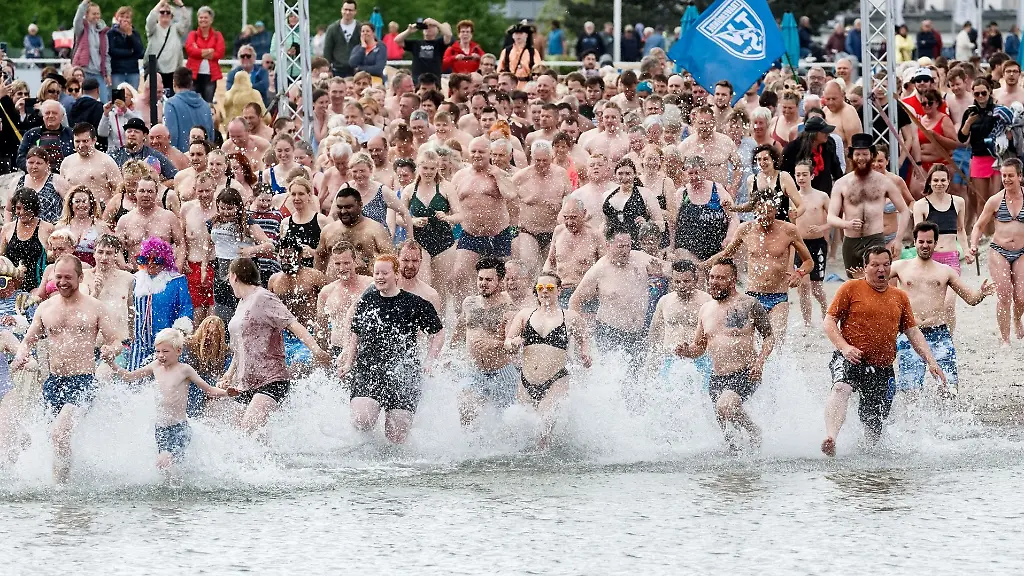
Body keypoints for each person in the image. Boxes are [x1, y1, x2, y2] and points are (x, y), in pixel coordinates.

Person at [821, 246, 948, 457]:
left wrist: (931, 361)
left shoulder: (899, 297)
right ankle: (831, 438)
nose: (881, 269)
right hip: (850, 357)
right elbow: (829, 321)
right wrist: (844, 347)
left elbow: (913, 332)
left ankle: (870, 458)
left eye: (886, 265)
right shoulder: (850, 288)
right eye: (875, 265)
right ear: (865, 267)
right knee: (841, 388)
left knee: (874, 425)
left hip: (882, 367)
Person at [11, 255, 122, 483]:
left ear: (80, 278)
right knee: (45, 438)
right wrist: (22, 354)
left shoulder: (95, 307)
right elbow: (28, 341)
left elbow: (116, 341)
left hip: (83, 382)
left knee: (59, 434)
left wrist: (111, 351)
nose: (62, 282)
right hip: (54, 383)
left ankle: (61, 490)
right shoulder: (45, 308)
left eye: (68, 277)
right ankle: (65, 480)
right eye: (58, 277)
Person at [338, 254, 444, 444]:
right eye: (376, 273)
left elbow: (438, 333)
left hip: (403, 373)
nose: (380, 277)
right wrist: (348, 362)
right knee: (362, 420)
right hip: (369, 369)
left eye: (384, 273)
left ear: (396, 274)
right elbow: (356, 333)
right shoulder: (367, 300)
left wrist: (429, 361)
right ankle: (367, 450)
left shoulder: (414, 303)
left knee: (396, 435)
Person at [220, 257, 330, 433]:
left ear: (234, 276)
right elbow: (241, 346)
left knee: (248, 430)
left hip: (271, 379)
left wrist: (316, 350)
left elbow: (292, 323)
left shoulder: (263, 297)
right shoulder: (242, 303)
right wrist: (229, 373)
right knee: (236, 435)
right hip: (245, 383)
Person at [676, 259, 774, 449]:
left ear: (733, 280)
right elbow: (699, 347)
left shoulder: (749, 304)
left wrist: (760, 362)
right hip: (717, 378)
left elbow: (769, 336)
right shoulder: (705, 309)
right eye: (712, 277)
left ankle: (754, 431)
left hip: (745, 372)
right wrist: (686, 351)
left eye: (721, 278)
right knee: (729, 439)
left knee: (726, 405)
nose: (714, 282)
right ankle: (741, 463)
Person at [889, 222, 993, 400]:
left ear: (935, 243)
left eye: (929, 242)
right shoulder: (900, 266)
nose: (925, 245)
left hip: (938, 333)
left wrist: (981, 293)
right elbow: (875, 281)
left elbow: (970, 299)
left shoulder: (946, 271)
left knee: (949, 388)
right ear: (914, 242)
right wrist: (861, 278)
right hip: (910, 333)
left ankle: (947, 418)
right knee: (910, 391)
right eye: (921, 241)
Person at [112, 327, 236, 468]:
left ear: (178, 351)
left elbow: (210, 390)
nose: (160, 355)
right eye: (157, 351)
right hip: (160, 429)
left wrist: (226, 393)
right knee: (168, 469)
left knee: (165, 461)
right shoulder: (155, 366)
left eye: (165, 351)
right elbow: (129, 377)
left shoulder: (185, 370)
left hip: (179, 428)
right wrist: (112, 363)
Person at [505, 271, 591, 447]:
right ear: (536, 291)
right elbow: (507, 343)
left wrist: (585, 353)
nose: (545, 291)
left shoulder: (570, 317)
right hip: (526, 381)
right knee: (524, 433)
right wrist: (513, 342)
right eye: (540, 288)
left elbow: (584, 338)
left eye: (550, 288)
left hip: (556, 380)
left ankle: (547, 458)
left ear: (559, 290)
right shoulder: (524, 315)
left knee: (543, 426)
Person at [705, 201, 812, 341]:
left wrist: (799, 274)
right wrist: (703, 265)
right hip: (752, 295)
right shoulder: (746, 229)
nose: (764, 216)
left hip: (778, 297)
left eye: (768, 212)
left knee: (776, 340)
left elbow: (809, 261)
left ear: (776, 210)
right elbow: (726, 254)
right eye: (760, 212)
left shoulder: (788, 230)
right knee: (748, 341)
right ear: (754, 211)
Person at [570, 229, 665, 373]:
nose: (625, 251)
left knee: (636, 377)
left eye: (628, 246)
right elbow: (575, 301)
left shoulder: (640, 258)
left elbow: (671, 270)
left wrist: (660, 273)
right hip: (610, 332)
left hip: (638, 332)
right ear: (608, 245)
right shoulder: (599, 270)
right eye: (620, 246)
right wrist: (580, 336)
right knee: (613, 375)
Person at [828, 134, 910, 275]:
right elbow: (830, 217)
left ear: (871, 155)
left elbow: (904, 210)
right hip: (851, 242)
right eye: (857, 154)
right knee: (855, 283)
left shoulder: (884, 182)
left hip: (875, 239)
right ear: (851, 156)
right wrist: (846, 224)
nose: (861, 158)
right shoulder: (841, 184)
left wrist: (898, 240)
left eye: (865, 154)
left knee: (877, 280)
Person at [452, 258, 518, 425]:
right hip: (475, 371)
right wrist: (450, 351)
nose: (483, 283)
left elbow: (514, 346)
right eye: (480, 279)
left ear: (500, 281)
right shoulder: (469, 303)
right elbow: (460, 326)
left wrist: (494, 343)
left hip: (502, 373)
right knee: (466, 410)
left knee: (505, 423)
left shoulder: (508, 309)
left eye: (489, 280)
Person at [970, 159, 1024, 343]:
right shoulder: (995, 200)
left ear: (1020, 176)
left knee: (1021, 297)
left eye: (1010, 175)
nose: (1006, 179)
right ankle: (1005, 338)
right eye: (1004, 175)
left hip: (1021, 252)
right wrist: (973, 245)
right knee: (1004, 294)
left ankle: (1017, 319)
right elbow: (978, 226)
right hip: (999, 250)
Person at [127, 236, 193, 370]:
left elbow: (186, 309)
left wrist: (178, 333)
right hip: (139, 344)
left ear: (165, 260)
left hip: (166, 344)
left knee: (166, 378)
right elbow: (129, 308)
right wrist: (129, 333)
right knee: (134, 378)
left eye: (156, 260)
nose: (150, 264)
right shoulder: (135, 280)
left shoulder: (176, 280)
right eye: (145, 259)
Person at [647, 260, 712, 389]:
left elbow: (715, 334)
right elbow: (654, 334)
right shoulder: (664, 301)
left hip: (699, 359)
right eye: (677, 282)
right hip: (670, 359)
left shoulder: (707, 302)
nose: (682, 285)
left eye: (686, 281)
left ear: (695, 280)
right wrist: (652, 364)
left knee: (702, 397)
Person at [267, 236, 329, 372]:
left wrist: (324, 332)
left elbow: (330, 304)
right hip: (285, 338)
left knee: (297, 368)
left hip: (310, 336)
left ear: (300, 255)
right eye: (282, 257)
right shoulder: (274, 280)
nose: (286, 260)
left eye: (289, 256)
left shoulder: (315, 276)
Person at [314, 186, 393, 275]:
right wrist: (320, 279)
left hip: (367, 281)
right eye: (340, 207)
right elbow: (320, 256)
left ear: (360, 205)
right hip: (336, 282)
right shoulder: (328, 230)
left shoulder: (375, 229)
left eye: (348, 207)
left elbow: (391, 260)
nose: (343, 211)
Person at [316, 242, 373, 356]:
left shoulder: (370, 285)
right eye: (338, 264)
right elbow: (321, 329)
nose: (342, 268)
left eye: (346, 263)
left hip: (366, 348)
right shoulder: (326, 292)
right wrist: (321, 355)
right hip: (338, 349)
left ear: (355, 261)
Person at [115, 174, 185, 267]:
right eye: (142, 191)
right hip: (135, 272)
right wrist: (123, 265)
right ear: (135, 193)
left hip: (163, 271)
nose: (146, 195)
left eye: (150, 191)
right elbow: (117, 248)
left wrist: (177, 267)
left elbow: (181, 244)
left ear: (156, 194)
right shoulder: (125, 220)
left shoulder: (169, 217)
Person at [792, 161, 830, 327]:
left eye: (804, 174)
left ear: (812, 176)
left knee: (816, 287)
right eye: (798, 175)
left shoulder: (822, 196)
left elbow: (834, 218)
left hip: (817, 244)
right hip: (800, 245)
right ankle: (807, 323)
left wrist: (821, 227)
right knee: (803, 285)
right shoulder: (792, 198)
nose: (801, 178)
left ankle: (826, 312)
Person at [1, 188, 55, 293]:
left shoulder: (47, 228)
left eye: (26, 208)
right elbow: (1, 258)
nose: (21, 212)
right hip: (10, 287)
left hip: (38, 286)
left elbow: (54, 257)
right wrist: (15, 271)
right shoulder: (7, 228)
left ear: (34, 208)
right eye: (18, 208)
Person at [60, 122, 122, 204]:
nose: (81, 145)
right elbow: (63, 193)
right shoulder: (66, 162)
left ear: (94, 140)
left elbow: (119, 190)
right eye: (77, 141)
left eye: (85, 141)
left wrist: (109, 209)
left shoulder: (106, 161)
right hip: (74, 210)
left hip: (101, 209)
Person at [7, 147, 67, 225]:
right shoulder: (17, 182)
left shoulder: (56, 180)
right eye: (31, 163)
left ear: (47, 164)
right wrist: (7, 226)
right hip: (22, 229)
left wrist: (62, 225)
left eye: (38, 163)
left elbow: (70, 204)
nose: (34, 166)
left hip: (52, 229)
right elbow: (8, 210)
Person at [15, 101, 75, 174]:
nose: (50, 116)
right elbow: (20, 158)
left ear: (62, 116)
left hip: (65, 175)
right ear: (42, 116)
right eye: (47, 113)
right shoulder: (31, 134)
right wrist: (34, 168)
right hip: (36, 176)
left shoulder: (72, 134)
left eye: (54, 113)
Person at [165, 67, 215, 152]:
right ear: (191, 83)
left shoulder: (171, 104)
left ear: (174, 83)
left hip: (180, 155)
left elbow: (172, 135)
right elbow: (211, 135)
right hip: (202, 155)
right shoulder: (205, 105)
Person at [145, 0, 191, 91]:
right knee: (154, 97)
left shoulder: (176, 28)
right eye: (162, 12)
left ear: (172, 16)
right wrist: (161, 2)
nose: (165, 14)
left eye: (168, 12)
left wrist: (181, 5)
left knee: (172, 96)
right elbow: (150, 19)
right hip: (155, 70)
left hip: (173, 71)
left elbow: (186, 21)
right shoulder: (153, 29)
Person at [72, 0, 112, 104]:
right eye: (93, 14)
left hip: (98, 72)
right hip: (84, 71)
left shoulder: (103, 32)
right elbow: (77, 20)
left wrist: (108, 73)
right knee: (84, 101)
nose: (96, 16)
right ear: (86, 14)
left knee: (104, 101)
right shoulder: (82, 28)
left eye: (98, 13)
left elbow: (106, 55)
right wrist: (84, 4)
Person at [184, 6, 224, 103]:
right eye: (201, 17)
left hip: (210, 76)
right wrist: (209, 51)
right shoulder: (193, 34)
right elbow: (190, 50)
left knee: (207, 104)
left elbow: (220, 53)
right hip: (193, 76)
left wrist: (199, 51)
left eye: (205, 17)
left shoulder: (217, 35)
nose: (203, 20)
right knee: (192, 103)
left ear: (211, 20)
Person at [108, 6, 145, 91]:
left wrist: (130, 35)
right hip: (117, 72)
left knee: (133, 96)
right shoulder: (111, 33)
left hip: (132, 71)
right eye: (122, 16)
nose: (125, 20)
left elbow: (140, 52)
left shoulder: (135, 34)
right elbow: (112, 51)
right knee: (118, 97)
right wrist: (130, 52)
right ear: (117, 18)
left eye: (127, 17)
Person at [323, 0, 361, 78]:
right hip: (337, 70)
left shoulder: (360, 28)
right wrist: (327, 69)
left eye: (350, 10)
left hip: (356, 70)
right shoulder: (332, 28)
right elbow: (327, 50)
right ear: (341, 10)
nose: (347, 12)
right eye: (345, 9)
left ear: (355, 12)